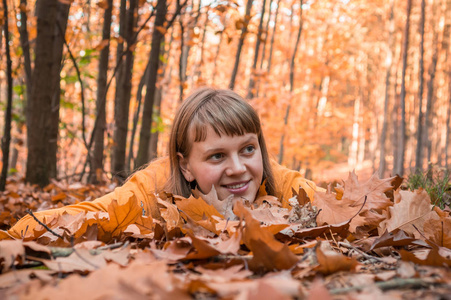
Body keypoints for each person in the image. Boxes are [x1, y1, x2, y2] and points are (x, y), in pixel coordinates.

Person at [4, 87, 319, 240]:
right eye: (217, 156)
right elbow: (79, 216)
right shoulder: (151, 191)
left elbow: (333, 204)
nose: (238, 167)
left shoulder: (276, 180)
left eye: (248, 149)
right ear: (184, 166)